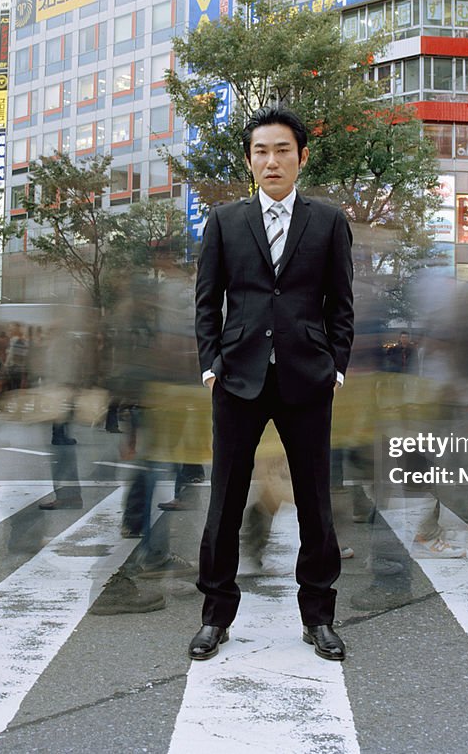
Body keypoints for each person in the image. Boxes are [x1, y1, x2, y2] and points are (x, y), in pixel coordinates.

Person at [190, 105, 354, 662]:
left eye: (283, 149)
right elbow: (207, 301)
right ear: (249, 160)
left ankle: (319, 618)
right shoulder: (225, 222)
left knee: (315, 502)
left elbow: (342, 304)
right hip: (237, 376)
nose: (272, 160)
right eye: (261, 151)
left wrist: (336, 365)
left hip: (308, 377)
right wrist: (211, 363)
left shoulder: (329, 222)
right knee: (225, 500)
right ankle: (215, 616)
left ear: (301, 157)